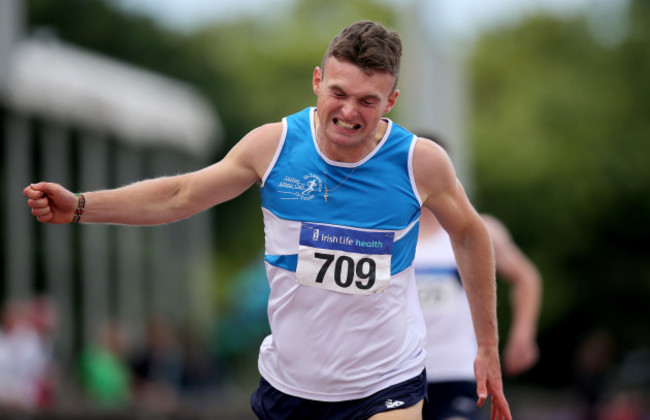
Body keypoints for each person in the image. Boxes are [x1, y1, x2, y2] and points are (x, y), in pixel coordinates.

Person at [23, 20, 511, 420]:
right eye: (339, 93)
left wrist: (487, 346)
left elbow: (470, 234)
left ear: (392, 102)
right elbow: (180, 195)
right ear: (318, 81)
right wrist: (82, 205)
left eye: (368, 101)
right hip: (291, 385)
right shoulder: (274, 147)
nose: (348, 112)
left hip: (385, 382)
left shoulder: (418, 162)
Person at [413, 142, 541, 419]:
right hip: (399, 375)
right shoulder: (388, 229)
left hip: (458, 370)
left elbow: (526, 277)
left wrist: (523, 332)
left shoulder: (478, 231)